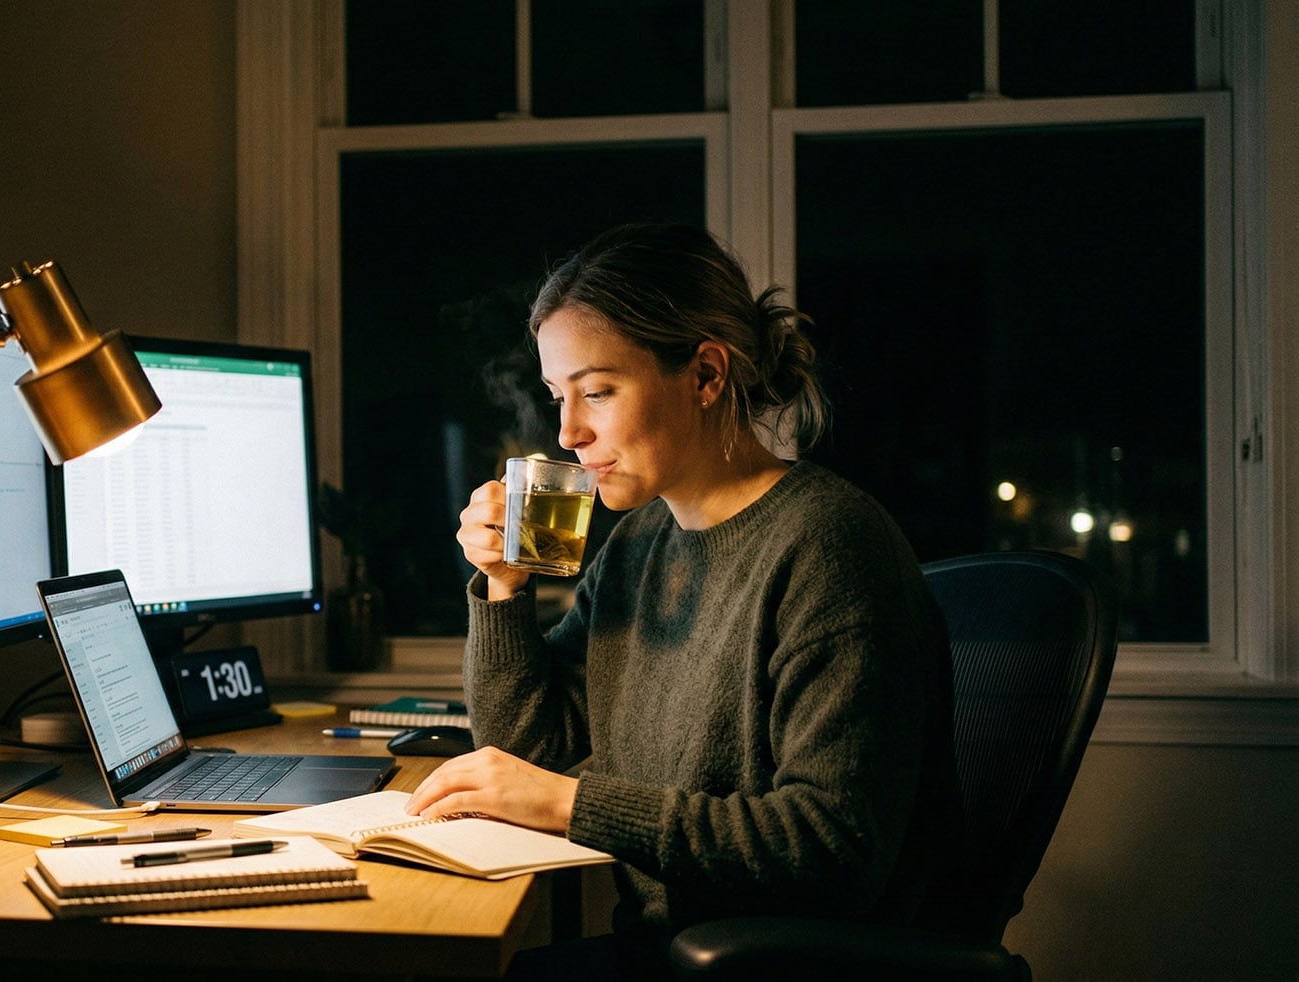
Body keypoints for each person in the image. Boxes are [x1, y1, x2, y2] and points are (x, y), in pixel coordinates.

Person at [405, 220, 960, 978]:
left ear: (705, 375)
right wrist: (504, 588)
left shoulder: (830, 546)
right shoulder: (639, 546)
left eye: (597, 391)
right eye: (556, 395)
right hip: (665, 951)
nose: (568, 431)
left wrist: (573, 804)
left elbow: (833, 847)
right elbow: (527, 756)